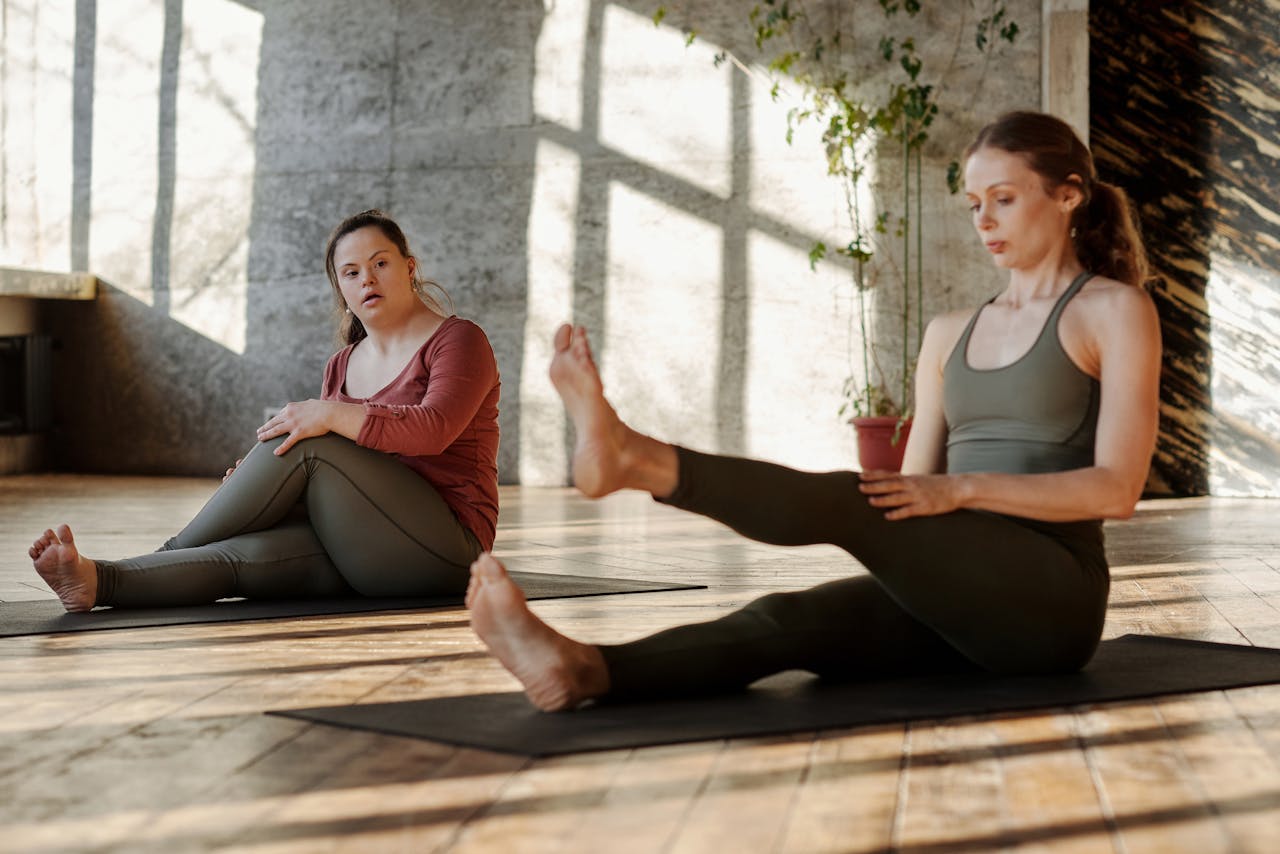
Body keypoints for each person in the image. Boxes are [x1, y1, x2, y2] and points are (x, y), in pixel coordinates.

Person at [466, 110, 1162, 711]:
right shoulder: (950, 332)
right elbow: (906, 497)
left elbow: (1118, 489)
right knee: (789, 619)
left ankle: (637, 458)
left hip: (1050, 602)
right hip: (962, 590)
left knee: (848, 501)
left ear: (1069, 195)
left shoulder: (1113, 311)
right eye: (973, 203)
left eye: (1004, 199)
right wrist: (927, 511)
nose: (983, 220)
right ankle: (583, 670)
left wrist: (960, 488)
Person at [30, 209, 500, 611]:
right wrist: (262, 491)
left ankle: (160, 555)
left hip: (449, 551)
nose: (368, 279)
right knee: (236, 556)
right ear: (341, 286)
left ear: (410, 267)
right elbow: (348, 481)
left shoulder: (459, 340)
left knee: (304, 441)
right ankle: (97, 581)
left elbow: (434, 429)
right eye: (352, 272)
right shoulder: (342, 364)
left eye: (380, 263)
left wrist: (325, 418)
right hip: (368, 549)